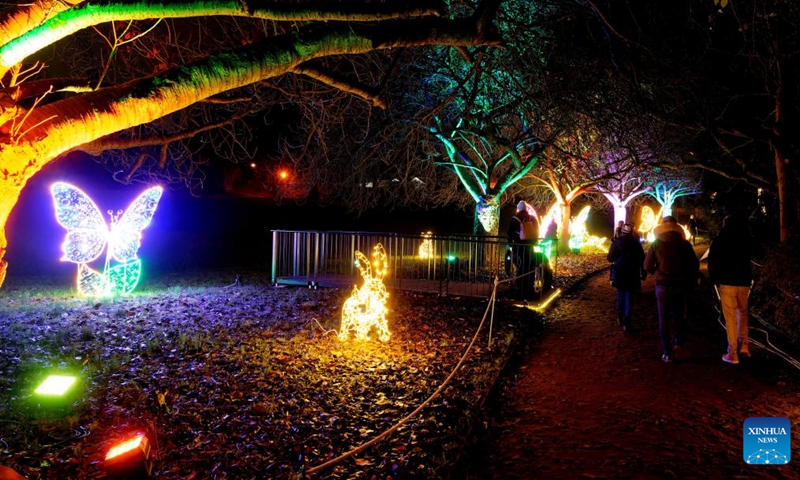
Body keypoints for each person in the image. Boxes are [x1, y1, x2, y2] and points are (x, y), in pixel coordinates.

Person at [643, 216, 700, 362]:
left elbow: (647, 265)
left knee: (663, 317)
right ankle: (678, 343)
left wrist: (657, 272)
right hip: (681, 284)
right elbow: (694, 264)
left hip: (662, 284)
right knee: (679, 315)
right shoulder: (685, 244)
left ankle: (667, 352)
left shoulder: (656, 243)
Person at [707, 214, 762, 365]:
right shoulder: (746, 238)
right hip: (744, 281)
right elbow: (759, 253)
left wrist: (714, 280)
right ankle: (744, 345)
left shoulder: (719, 240)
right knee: (743, 313)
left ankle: (732, 352)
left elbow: (713, 261)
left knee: (730, 317)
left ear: (725, 225)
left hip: (726, 282)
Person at [607, 223, 646, 332]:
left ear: (622, 231)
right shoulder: (636, 244)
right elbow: (642, 259)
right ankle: (626, 321)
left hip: (620, 272)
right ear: (632, 232)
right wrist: (643, 273)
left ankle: (620, 316)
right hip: (632, 272)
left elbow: (610, 258)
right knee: (629, 296)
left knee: (620, 294)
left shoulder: (616, 243)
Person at [507, 202, 538, 299]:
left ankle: (519, 287)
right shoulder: (532, 219)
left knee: (520, 266)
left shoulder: (514, 219)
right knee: (529, 265)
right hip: (529, 246)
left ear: (518, 209)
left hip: (518, 246)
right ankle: (529, 287)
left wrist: (511, 244)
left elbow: (509, 234)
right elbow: (536, 232)